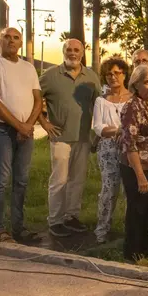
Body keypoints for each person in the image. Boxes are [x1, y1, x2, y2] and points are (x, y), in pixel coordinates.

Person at [0, 27, 42, 243]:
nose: (11, 41)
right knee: (2, 181)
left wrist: (28, 125)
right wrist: (19, 126)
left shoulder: (28, 68)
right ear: (0, 40)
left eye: (16, 38)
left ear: (21, 43)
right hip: (3, 131)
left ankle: (18, 227)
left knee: (21, 181)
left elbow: (38, 100)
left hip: (26, 132)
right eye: (7, 37)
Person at [38, 39, 101, 238]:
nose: (72, 53)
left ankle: (71, 217)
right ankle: (55, 221)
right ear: (63, 51)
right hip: (60, 138)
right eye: (69, 49)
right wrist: (44, 123)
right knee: (59, 181)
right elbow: (34, 99)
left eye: (76, 50)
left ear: (82, 53)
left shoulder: (91, 76)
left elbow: (99, 104)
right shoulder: (49, 76)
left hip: (83, 138)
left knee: (77, 181)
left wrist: (98, 133)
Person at [119, 65, 148, 261]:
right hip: (136, 167)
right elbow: (130, 144)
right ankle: (133, 251)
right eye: (146, 82)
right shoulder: (132, 106)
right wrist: (140, 175)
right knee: (137, 209)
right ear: (135, 84)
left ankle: (145, 247)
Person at [92, 57, 132, 244]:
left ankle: (130, 229)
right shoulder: (101, 101)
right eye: (109, 74)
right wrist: (116, 130)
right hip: (108, 147)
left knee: (129, 190)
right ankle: (102, 229)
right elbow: (98, 126)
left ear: (124, 74)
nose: (113, 77)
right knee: (109, 188)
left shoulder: (134, 99)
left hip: (130, 148)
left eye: (117, 73)